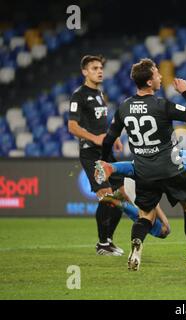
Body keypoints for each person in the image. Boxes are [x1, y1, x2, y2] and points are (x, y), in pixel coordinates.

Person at [100, 58, 186, 271]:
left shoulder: (124, 107)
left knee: (145, 216)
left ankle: (137, 245)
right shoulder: (162, 106)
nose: (160, 77)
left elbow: (108, 140)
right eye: (157, 74)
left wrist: (105, 161)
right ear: (149, 82)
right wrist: (185, 92)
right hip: (170, 168)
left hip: (144, 172)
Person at [67, 55, 124, 256]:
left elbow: (102, 123)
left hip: (105, 152)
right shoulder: (79, 96)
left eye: (100, 68)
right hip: (90, 153)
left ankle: (108, 240)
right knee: (107, 195)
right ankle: (102, 244)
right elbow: (72, 126)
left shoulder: (100, 94)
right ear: (84, 72)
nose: (99, 71)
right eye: (94, 68)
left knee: (121, 195)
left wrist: (112, 136)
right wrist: (95, 138)